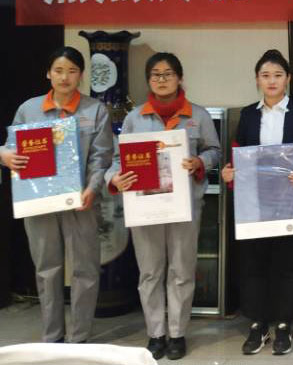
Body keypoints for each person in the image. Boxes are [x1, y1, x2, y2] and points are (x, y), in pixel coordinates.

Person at [106, 52, 221, 361]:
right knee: (150, 272)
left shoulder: (197, 115)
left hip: (185, 206)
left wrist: (199, 161)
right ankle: (156, 334)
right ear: (149, 80)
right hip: (145, 207)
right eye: (155, 74)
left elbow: (215, 151)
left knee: (182, 271)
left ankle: (177, 333)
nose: (161, 79)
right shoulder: (134, 118)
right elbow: (117, 160)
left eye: (167, 74)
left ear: (179, 78)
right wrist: (114, 177)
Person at [0, 47, 113, 344]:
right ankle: (52, 336)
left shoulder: (95, 110)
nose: (65, 77)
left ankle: (79, 338)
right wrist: (4, 155)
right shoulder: (29, 109)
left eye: (72, 71)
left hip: (81, 201)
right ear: (48, 73)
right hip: (39, 202)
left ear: (81, 75)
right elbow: (11, 147)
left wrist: (92, 188)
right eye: (59, 70)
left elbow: (101, 157)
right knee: (47, 269)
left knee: (85, 269)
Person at [220, 50, 293, 356]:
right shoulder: (249, 115)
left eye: (278, 75)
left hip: (288, 199)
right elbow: (240, 152)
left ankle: (285, 323)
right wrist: (230, 171)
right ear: (257, 80)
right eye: (265, 76)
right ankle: (258, 322)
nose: (272, 81)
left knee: (287, 261)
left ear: (287, 79)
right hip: (254, 201)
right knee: (254, 261)